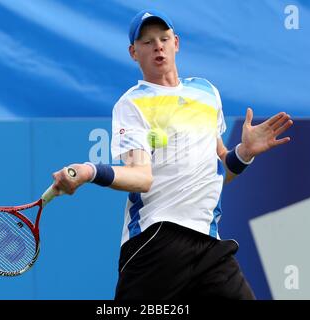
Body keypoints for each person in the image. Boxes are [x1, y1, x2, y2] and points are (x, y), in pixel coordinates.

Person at [52, 9, 293, 300]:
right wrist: (91, 171)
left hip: (209, 244)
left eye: (164, 38)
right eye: (147, 42)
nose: (158, 46)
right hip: (156, 241)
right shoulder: (132, 104)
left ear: (176, 43)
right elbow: (141, 178)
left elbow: (217, 171)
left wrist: (244, 153)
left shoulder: (206, 92)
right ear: (133, 52)